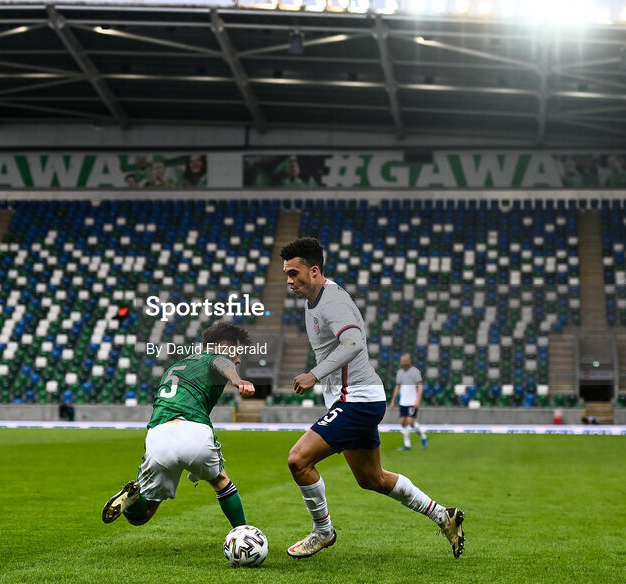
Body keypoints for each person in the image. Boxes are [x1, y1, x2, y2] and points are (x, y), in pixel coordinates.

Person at [280, 237, 465, 559]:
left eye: (294, 273)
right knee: (372, 478)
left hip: (358, 400)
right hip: (356, 399)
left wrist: (314, 374)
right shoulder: (318, 299)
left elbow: (353, 342)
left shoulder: (332, 303)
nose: (289, 281)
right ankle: (443, 516)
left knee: (298, 460)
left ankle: (323, 532)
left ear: (314, 271)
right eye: (286, 274)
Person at [101, 322, 255, 529]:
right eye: (236, 350)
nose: (238, 357)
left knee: (141, 516)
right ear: (224, 346)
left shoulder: (176, 366)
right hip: (193, 430)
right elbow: (222, 363)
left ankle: (133, 499)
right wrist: (238, 380)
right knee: (220, 481)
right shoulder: (218, 358)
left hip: (158, 435)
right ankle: (243, 531)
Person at [389, 353, 429, 450]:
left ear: (409, 361)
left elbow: (420, 386)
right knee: (403, 422)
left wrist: (418, 400)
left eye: (405, 361)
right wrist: (393, 401)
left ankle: (423, 437)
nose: (404, 363)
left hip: (412, 401)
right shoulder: (400, 372)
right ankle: (407, 445)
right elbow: (398, 386)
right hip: (403, 401)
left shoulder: (415, 371)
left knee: (410, 421)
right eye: (403, 361)